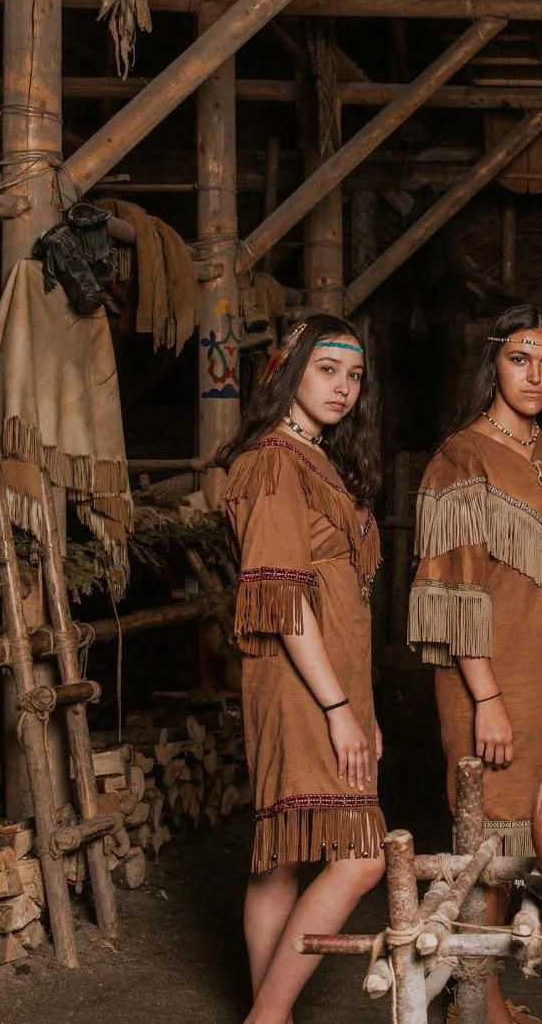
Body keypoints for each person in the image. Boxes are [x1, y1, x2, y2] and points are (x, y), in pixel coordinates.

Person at [408, 304, 542, 1024]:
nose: (535, 375)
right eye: (520, 359)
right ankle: (471, 1002)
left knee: (521, 846)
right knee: (485, 841)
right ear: (494, 363)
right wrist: (486, 696)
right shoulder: (461, 456)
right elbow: (453, 590)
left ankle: (488, 994)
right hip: (493, 676)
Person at [217, 314, 386, 1024]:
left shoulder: (316, 459)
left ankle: (270, 1016)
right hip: (301, 686)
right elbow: (283, 600)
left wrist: (362, 709)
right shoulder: (273, 461)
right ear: (288, 369)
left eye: (353, 375)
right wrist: (339, 709)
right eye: (326, 370)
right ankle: (267, 1016)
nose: (343, 387)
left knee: (280, 856)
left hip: (329, 685)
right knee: (362, 856)